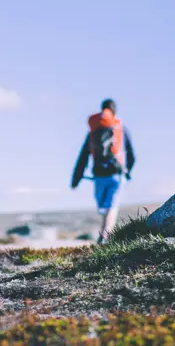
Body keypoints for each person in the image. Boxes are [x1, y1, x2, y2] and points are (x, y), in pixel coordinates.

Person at [71, 99, 136, 244]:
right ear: (114, 111)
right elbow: (132, 155)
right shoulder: (120, 129)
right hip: (116, 174)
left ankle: (104, 235)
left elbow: (82, 157)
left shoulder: (93, 131)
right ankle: (105, 235)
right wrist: (128, 171)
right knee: (111, 207)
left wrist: (75, 180)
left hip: (98, 175)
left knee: (103, 207)